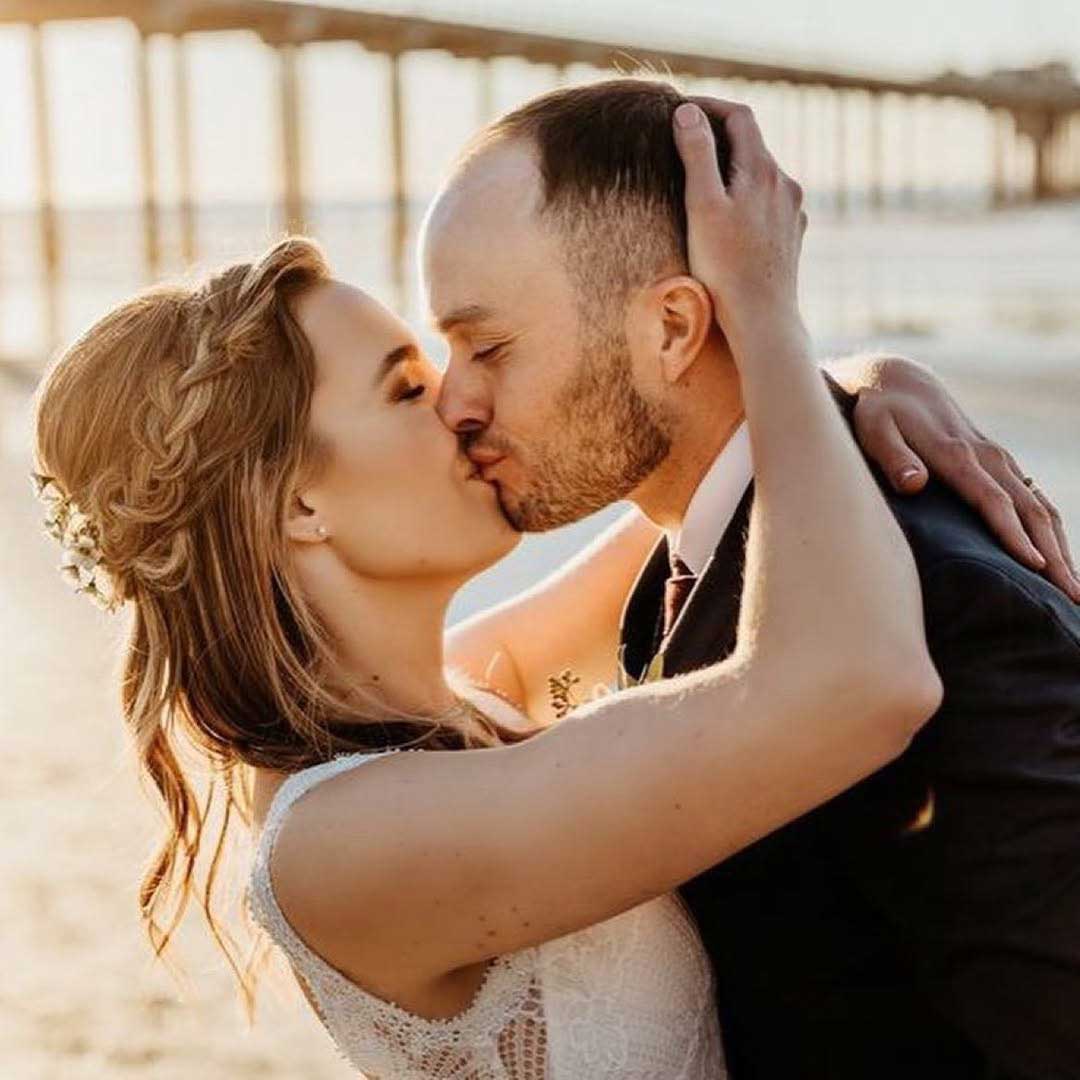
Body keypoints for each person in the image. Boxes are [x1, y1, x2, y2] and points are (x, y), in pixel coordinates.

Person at [30, 94, 1067, 1079]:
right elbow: (849, 685)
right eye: (410, 385)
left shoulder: (458, 698)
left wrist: (864, 379)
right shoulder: (339, 848)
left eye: (475, 355)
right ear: (295, 506)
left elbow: (705, 484)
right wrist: (762, 313)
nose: (464, 406)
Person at [427, 79, 1080, 1078]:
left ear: (675, 329)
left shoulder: (949, 601)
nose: (452, 402)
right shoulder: (671, 575)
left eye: (486, 345)